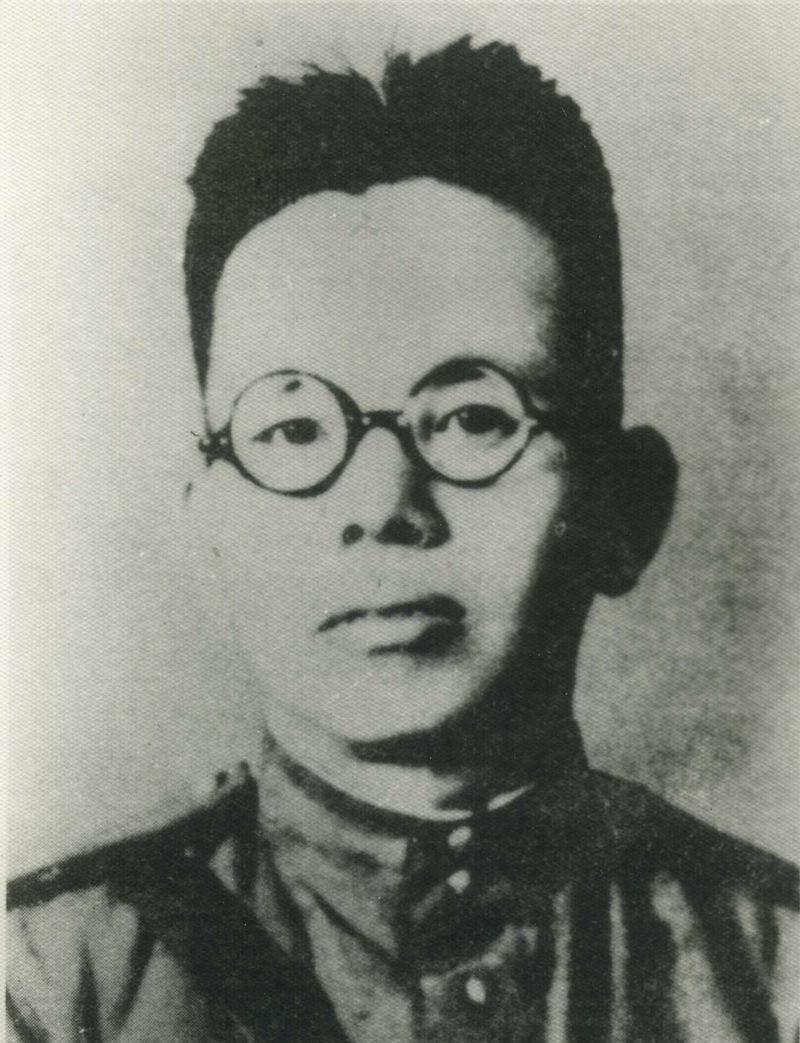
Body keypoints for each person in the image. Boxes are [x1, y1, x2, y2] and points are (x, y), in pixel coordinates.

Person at [7, 36, 798, 1043]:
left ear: (622, 506)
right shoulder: (50, 982)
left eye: (472, 418)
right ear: (209, 517)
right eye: (295, 430)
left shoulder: (771, 971)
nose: (384, 504)